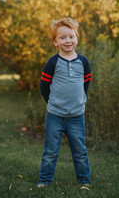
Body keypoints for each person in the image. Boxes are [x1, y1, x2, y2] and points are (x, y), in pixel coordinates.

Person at [38, 17, 92, 187]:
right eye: (62, 37)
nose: (67, 40)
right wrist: (52, 102)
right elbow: (44, 86)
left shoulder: (84, 62)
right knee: (50, 152)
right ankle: (45, 180)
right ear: (55, 42)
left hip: (76, 116)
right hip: (55, 115)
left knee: (80, 152)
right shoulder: (53, 63)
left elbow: (86, 83)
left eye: (71, 36)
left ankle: (84, 180)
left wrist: (79, 101)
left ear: (76, 37)